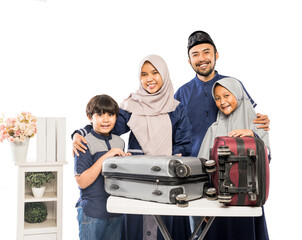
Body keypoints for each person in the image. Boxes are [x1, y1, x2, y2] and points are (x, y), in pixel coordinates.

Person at [72, 54, 192, 240]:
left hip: (166, 176)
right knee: (138, 227)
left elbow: (184, 144)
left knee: (164, 228)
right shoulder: (131, 106)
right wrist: (80, 132)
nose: (149, 78)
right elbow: (107, 127)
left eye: (155, 72)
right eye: (144, 74)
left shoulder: (176, 108)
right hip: (137, 178)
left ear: (164, 74)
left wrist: (173, 162)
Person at [174, 30, 270, 239]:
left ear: (216, 55)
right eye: (195, 54)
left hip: (241, 174)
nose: (201, 58)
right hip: (202, 177)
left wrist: (258, 129)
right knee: (207, 232)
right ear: (188, 60)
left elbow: (251, 116)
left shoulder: (232, 84)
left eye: (206, 52)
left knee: (242, 230)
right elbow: (172, 130)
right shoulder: (182, 93)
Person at [74, 94, 131, 240]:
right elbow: (82, 181)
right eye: (99, 115)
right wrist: (107, 156)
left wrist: (127, 164)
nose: (105, 120)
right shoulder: (84, 142)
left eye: (110, 115)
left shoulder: (120, 142)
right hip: (92, 212)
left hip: (115, 211)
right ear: (89, 117)